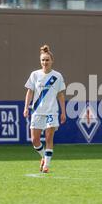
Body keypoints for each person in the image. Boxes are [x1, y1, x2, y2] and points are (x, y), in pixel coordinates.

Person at [24, 45, 66, 173]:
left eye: (47, 60)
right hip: (37, 111)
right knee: (35, 140)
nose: (45, 62)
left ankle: (46, 165)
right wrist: (26, 107)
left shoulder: (57, 76)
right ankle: (43, 156)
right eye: (43, 60)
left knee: (49, 138)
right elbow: (30, 92)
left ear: (52, 61)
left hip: (51, 111)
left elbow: (60, 94)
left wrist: (63, 112)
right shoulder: (35, 75)